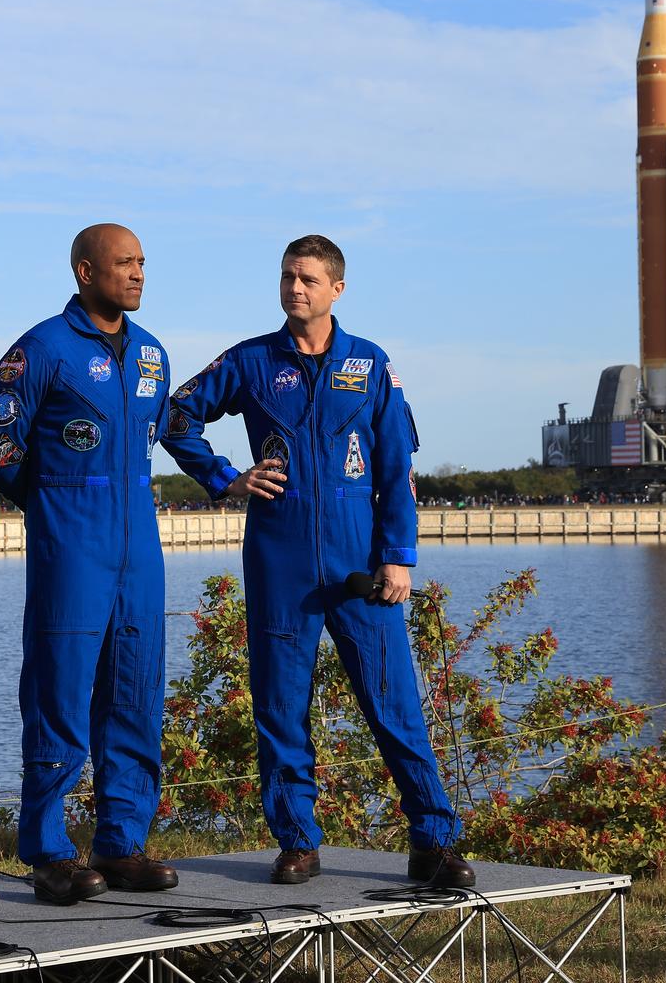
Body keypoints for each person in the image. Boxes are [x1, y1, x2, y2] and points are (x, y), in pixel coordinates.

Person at [160, 235, 475, 888]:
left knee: (395, 705)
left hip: (360, 564)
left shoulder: (370, 364)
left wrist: (399, 558)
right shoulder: (251, 361)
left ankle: (433, 841)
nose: (294, 288)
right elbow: (176, 415)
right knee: (280, 705)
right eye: (286, 277)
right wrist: (225, 477)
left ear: (337, 288)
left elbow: (396, 470)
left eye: (307, 278)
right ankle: (298, 841)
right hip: (280, 561)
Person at [0, 224, 177, 905]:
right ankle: (50, 851)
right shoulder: (42, 349)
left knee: (136, 692)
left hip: (139, 550)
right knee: (59, 696)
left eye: (143, 263)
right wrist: (51, 503)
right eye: (125, 264)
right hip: (72, 547)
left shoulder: (152, 355)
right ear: (86, 271)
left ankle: (122, 842)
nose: (139, 274)